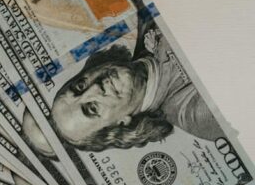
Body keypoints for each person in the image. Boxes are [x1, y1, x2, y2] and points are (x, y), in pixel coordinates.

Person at [48, 21, 224, 152]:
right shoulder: (196, 113)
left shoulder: (146, 20)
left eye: (79, 86)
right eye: (92, 108)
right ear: (121, 124)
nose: (95, 88)